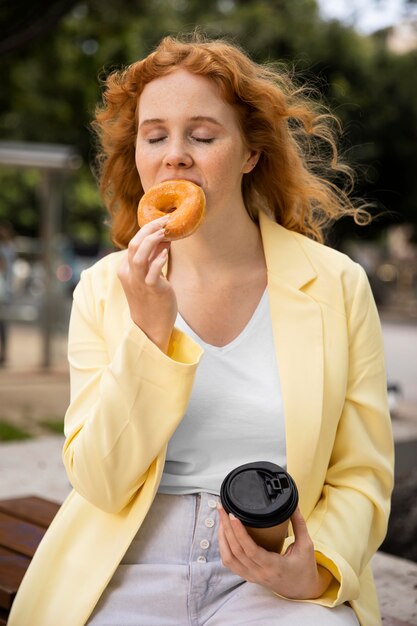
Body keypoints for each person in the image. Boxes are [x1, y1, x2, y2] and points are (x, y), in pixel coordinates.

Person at [9, 34, 394, 626]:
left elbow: (362, 471)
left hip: (271, 571)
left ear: (249, 153)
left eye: (204, 135)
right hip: (129, 563)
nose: (175, 155)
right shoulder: (105, 289)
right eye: (154, 135)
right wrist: (148, 334)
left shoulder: (337, 285)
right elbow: (100, 482)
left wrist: (316, 568)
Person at [0, 220, 16, 365]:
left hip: (3, 293)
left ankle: (3, 355)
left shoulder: (5, 250)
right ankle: (4, 354)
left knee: (3, 325)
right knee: (4, 326)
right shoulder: (10, 249)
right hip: (6, 293)